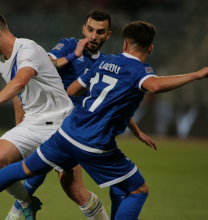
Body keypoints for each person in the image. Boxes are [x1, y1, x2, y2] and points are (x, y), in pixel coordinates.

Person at [0, 20, 208, 219]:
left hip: (67, 132)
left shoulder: (105, 62)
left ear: (122, 43)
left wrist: (133, 127)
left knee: (23, 170)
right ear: (150, 49)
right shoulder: (140, 71)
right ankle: (23, 207)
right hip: (95, 143)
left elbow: (74, 90)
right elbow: (154, 86)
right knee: (136, 189)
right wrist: (197, 74)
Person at [8, 10, 155, 220]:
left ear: (108, 35)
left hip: (82, 128)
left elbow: (113, 105)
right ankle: (12, 214)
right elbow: (40, 66)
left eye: (100, 31)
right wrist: (73, 56)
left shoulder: (106, 62)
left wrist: (137, 131)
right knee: (39, 172)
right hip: (56, 122)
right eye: (90, 29)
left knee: (79, 190)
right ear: (83, 29)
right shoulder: (68, 46)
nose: (94, 36)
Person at [0, 8, 74, 220]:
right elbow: (18, 93)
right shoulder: (0, 59)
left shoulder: (28, 49)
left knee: (75, 192)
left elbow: (21, 80)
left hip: (61, 121)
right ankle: (27, 203)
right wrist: (18, 129)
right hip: (33, 123)